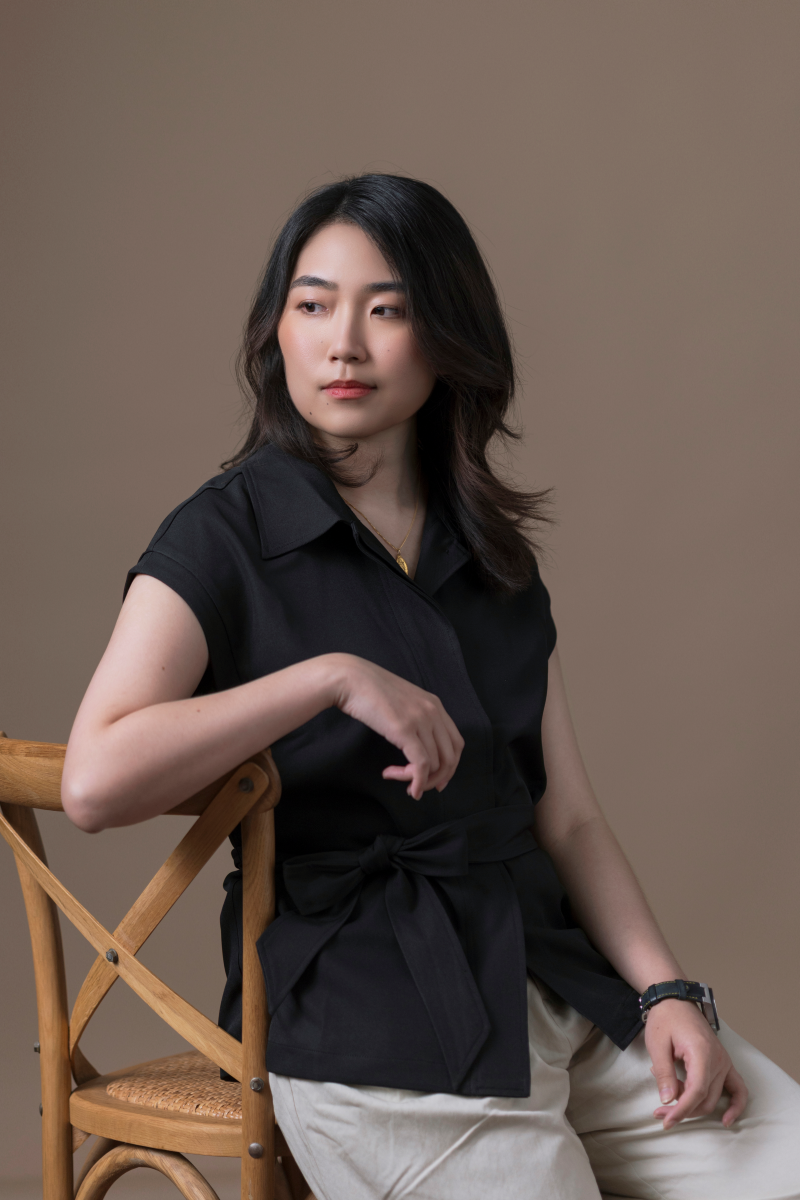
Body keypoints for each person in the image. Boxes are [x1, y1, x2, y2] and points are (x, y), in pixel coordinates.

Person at [62, 175, 800, 1200]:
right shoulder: (222, 535)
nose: (343, 343)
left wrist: (664, 992)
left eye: (388, 308)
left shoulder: (490, 556)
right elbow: (96, 781)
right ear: (275, 330)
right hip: (373, 1013)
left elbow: (570, 820)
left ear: (447, 337)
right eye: (312, 305)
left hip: (548, 984)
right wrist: (325, 681)